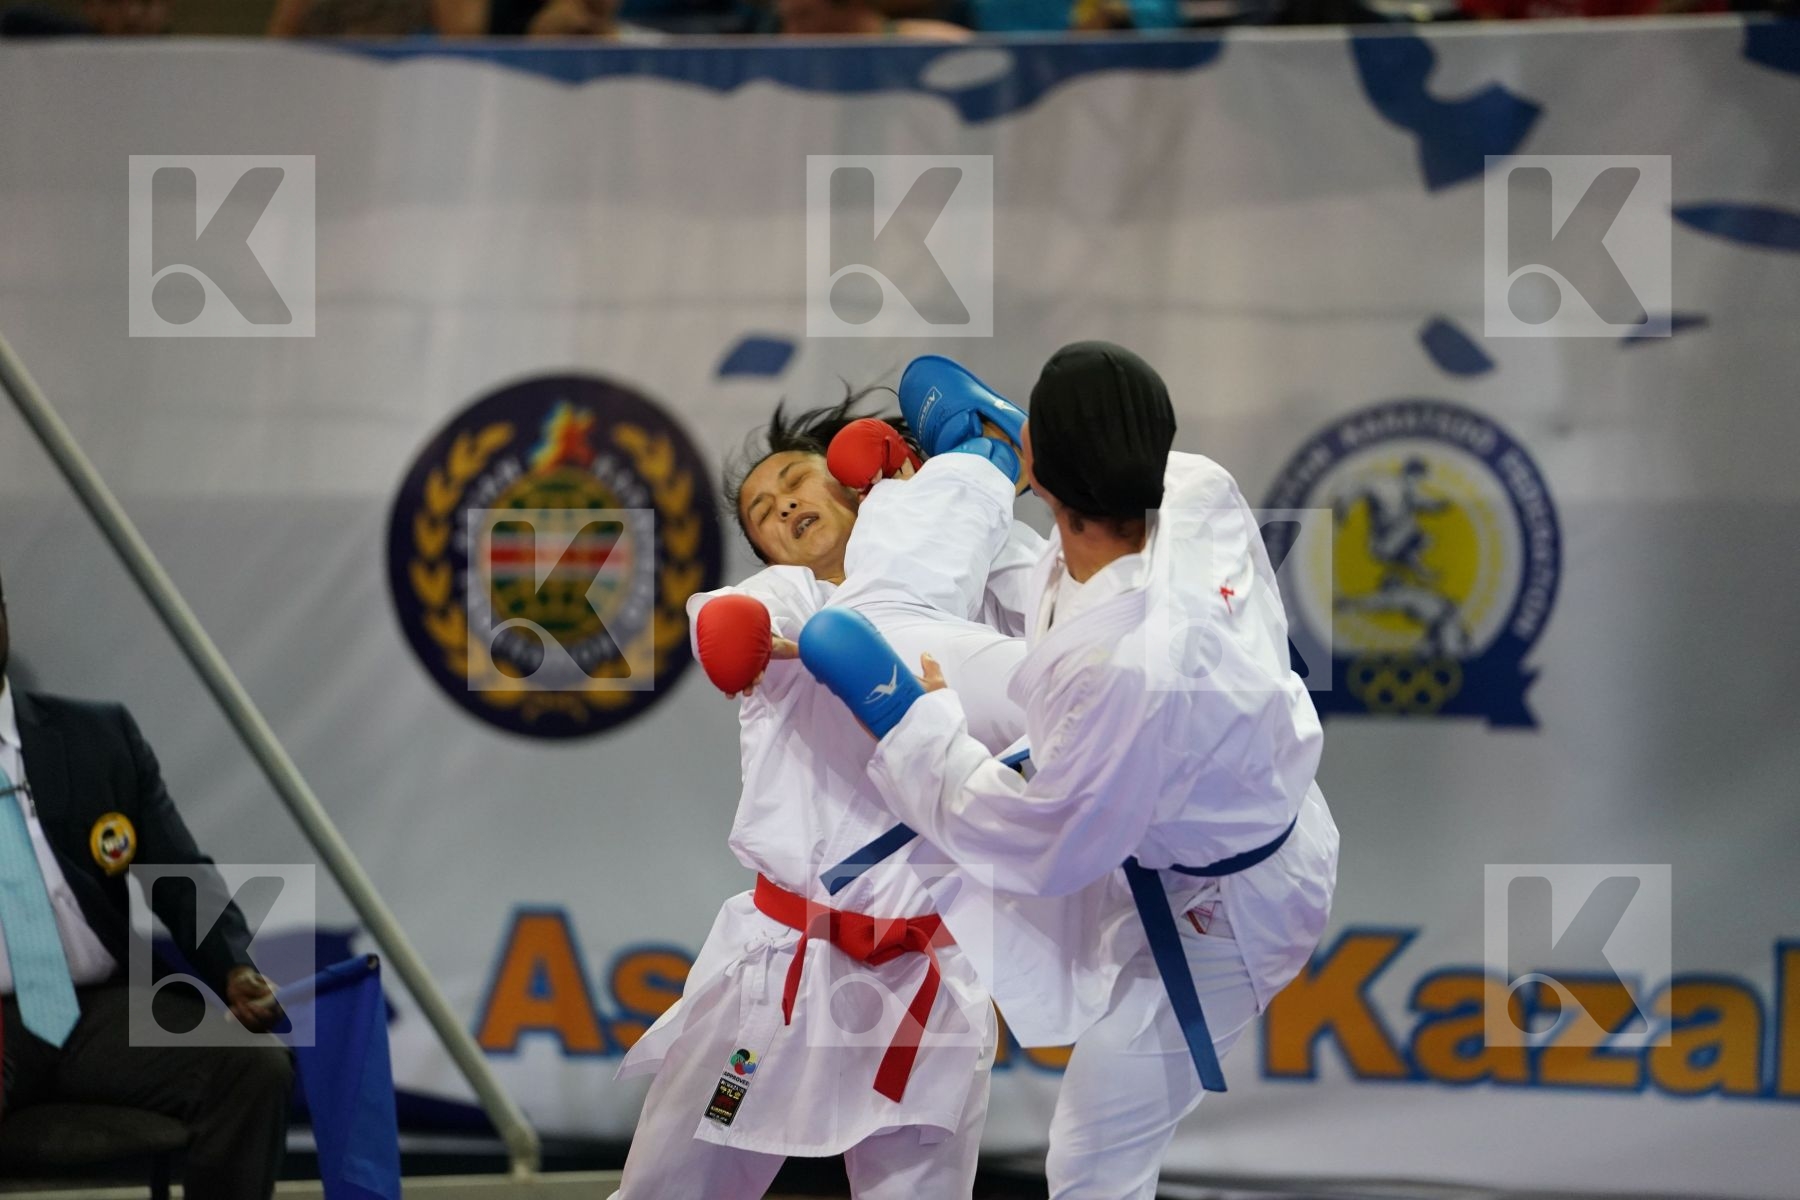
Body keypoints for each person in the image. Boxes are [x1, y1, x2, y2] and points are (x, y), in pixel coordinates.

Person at [801, 342, 1340, 1200]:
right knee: (886, 626)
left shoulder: (1123, 663)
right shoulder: (1198, 486)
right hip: (1164, 758)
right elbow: (1066, 586)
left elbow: (1047, 844)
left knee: (1092, 1160)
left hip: (1219, 913)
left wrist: (912, 729)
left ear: (1044, 470)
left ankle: (980, 466)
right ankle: (978, 460)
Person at [610, 381, 1049, 1199]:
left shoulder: (989, 595)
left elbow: (1057, 661)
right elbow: (723, 627)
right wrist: (739, 638)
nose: (780, 505)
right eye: (761, 510)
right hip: (779, 969)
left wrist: (958, 480)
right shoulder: (785, 602)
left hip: (928, 974)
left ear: (858, 485)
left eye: (795, 481)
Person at [0, 566, 293, 1200]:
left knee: (252, 1071)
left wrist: (233, 966)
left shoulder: (97, 738)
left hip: (99, 1007)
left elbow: (180, 872)